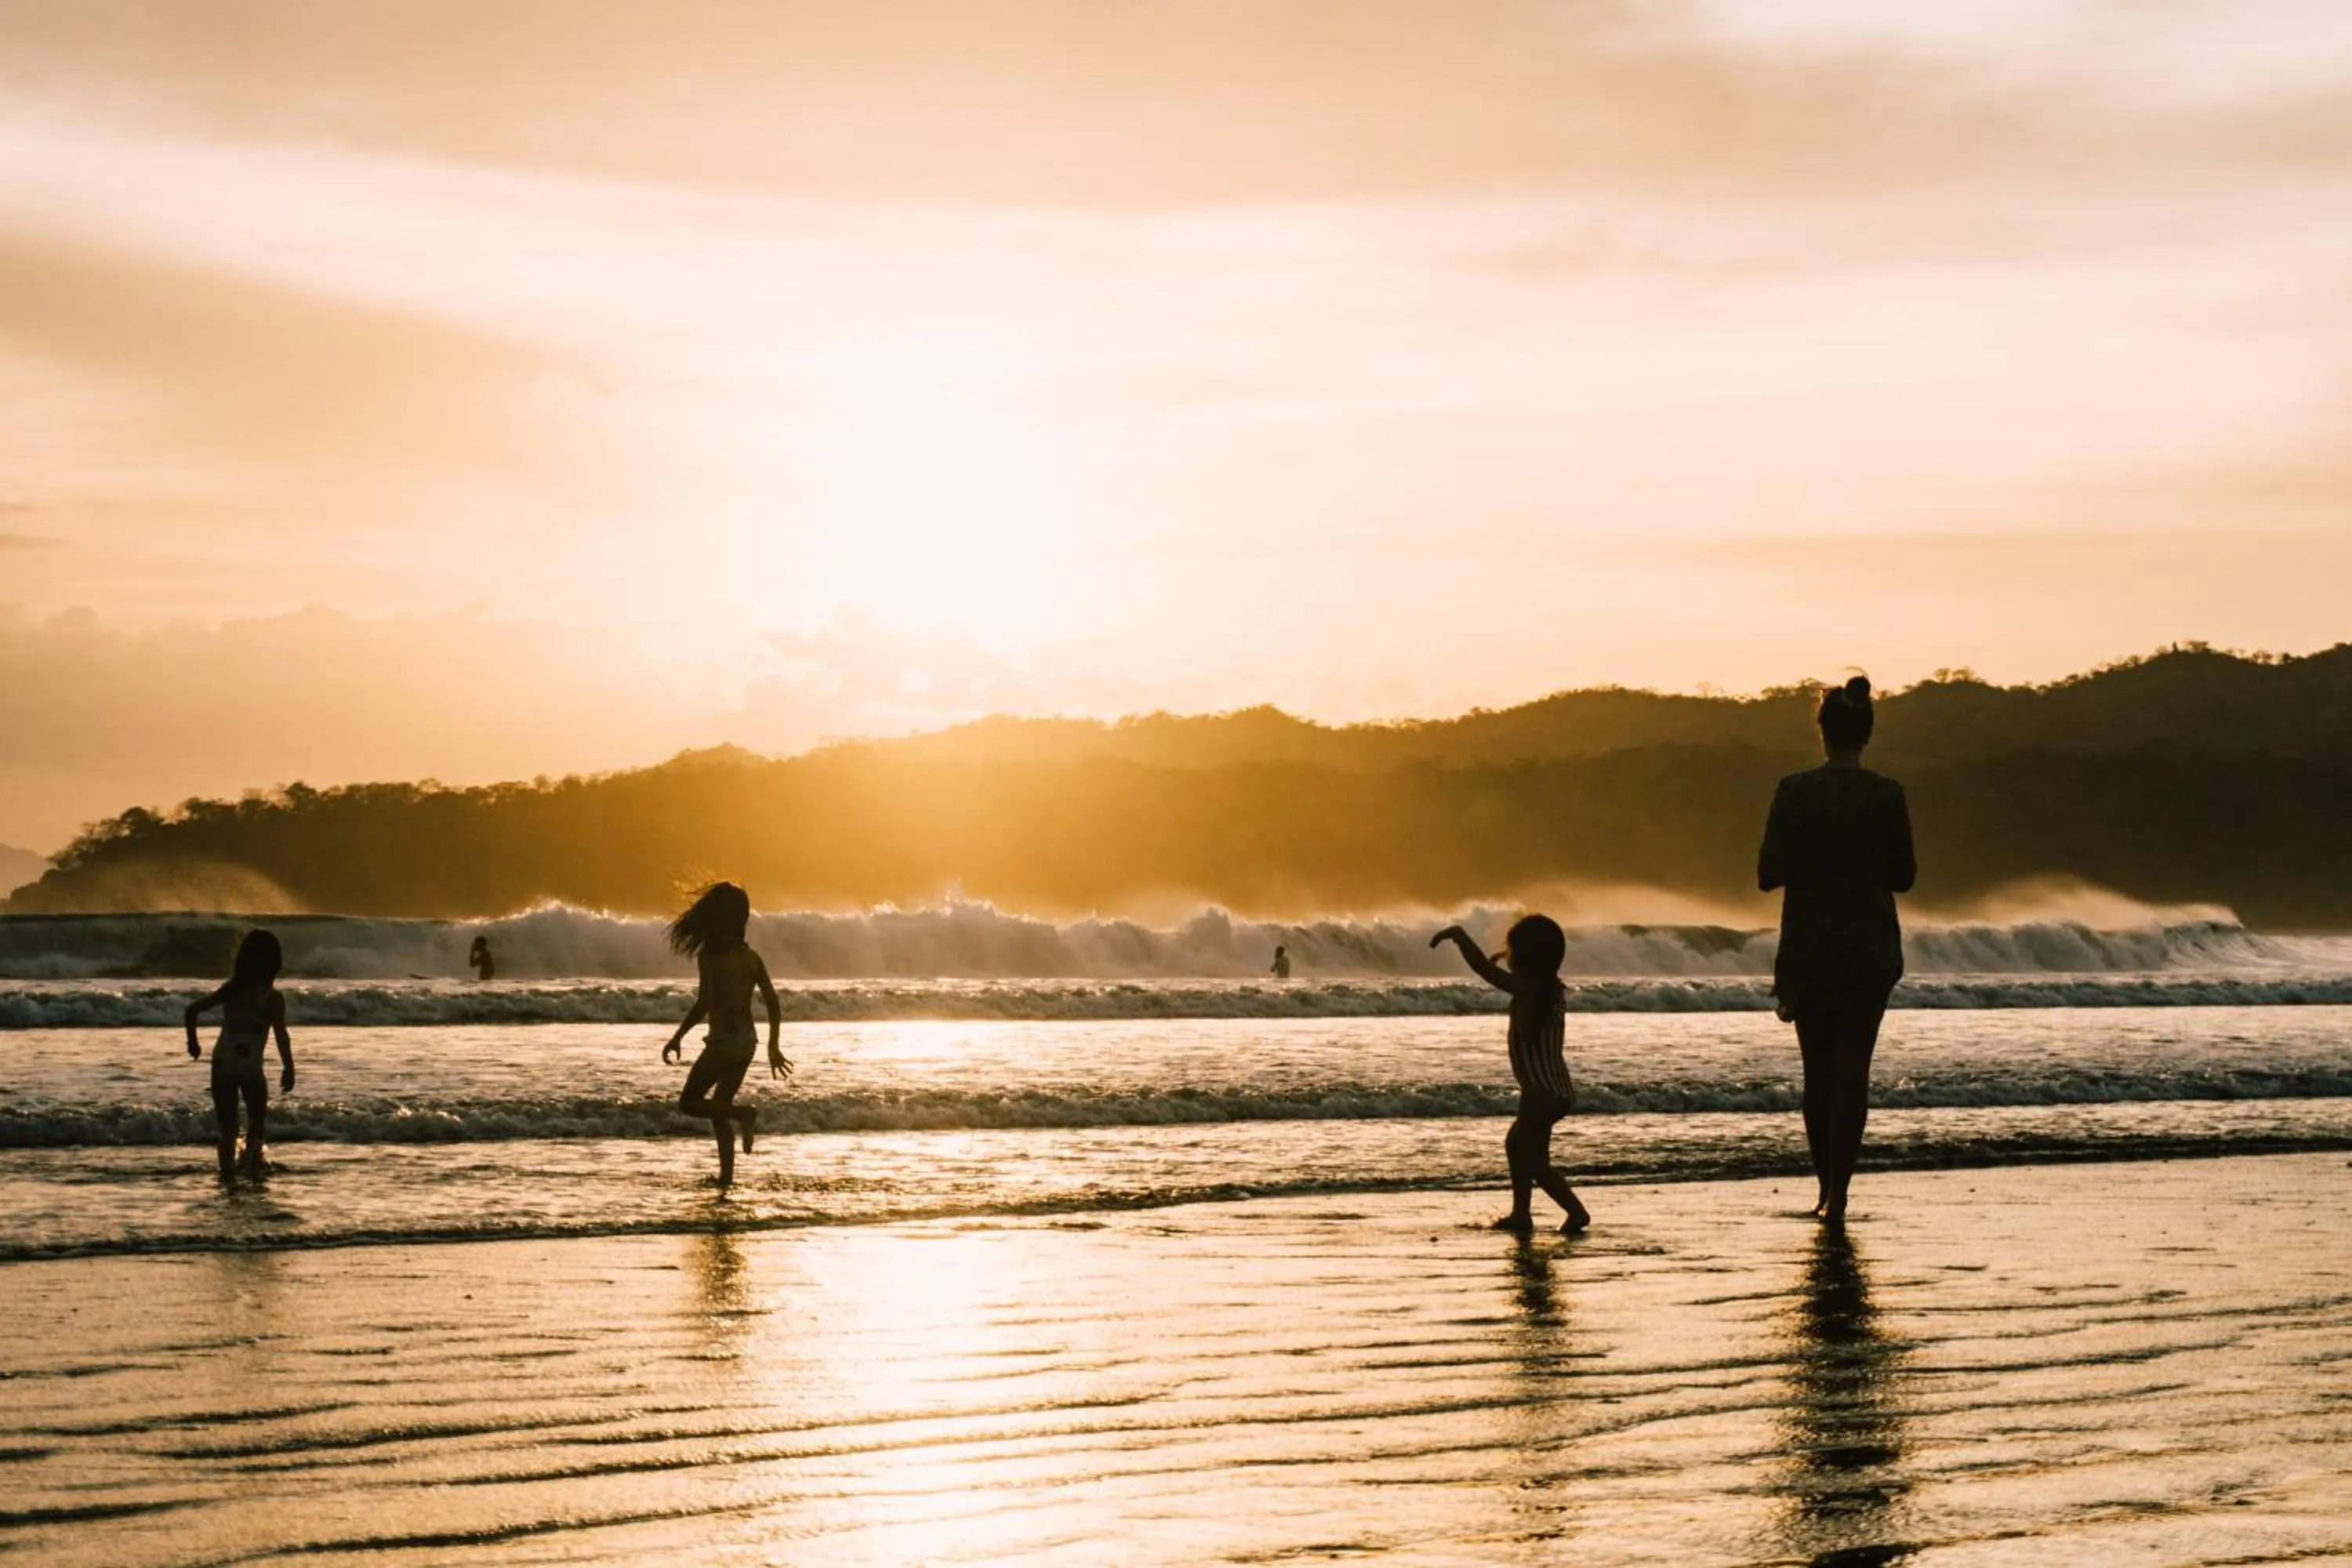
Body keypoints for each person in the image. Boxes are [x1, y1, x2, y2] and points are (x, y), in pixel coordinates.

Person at [1758, 674, 1916, 1225]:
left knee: (1818, 1073)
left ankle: (1825, 1190)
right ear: (1866, 733)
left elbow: (1767, 873)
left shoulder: (1793, 791)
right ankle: (1841, 1194)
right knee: (1852, 1071)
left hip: (1808, 946)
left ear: (1822, 733)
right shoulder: (1887, 795)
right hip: (1869, 947)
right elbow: (1905, 877)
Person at [1430, 916, 1591, 1234]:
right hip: (1554, 1089)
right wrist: (1504, 957)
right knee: (1518, 1146)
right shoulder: (1549, 990)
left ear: (1526, 958)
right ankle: (1521, 1214)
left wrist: (1461, 937)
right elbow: (1498, 968)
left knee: (1534, 1161)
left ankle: (1576, 1212)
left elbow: (1485, 972)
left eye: (1512, 951)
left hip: (1540, 1093)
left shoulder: (1531, 990)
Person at [661, 881, 789, 1189]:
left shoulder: (711, 956)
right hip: (747, 1043)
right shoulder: (752, 958)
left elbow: (705, 1002)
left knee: (690, 1103)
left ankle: (744, 1114)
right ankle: (727, 1178)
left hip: (722, 1044)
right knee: (719, 1107)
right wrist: (774, 1047)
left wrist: (678, 1036)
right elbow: (772, 1002)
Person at [183, 929, 295, 1181]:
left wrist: (194, 1043)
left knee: (236, 1130)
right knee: (247, 1127)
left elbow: (192, 1011)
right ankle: (242, 1173)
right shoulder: (269, 998)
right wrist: (289, 1068)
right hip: (242, 1068)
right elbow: (281, 1036)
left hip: (229, 1065)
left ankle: (234, 1174)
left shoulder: (239, 992)